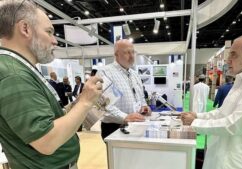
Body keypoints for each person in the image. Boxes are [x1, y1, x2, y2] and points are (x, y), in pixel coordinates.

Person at [0, 1, 103, 168]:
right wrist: (85, 102)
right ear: (25, 28)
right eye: (49, 32)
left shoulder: (20, 69)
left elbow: (48, 121)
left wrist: (78, 102)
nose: (55, 41)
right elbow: (46, 141)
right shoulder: (14, 74)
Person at [181, 34, 242, 169]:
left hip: (241, 162)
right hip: (225, 154)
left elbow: (235, 123)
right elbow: (223, 112)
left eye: (233, 55)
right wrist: (198, 115)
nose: (227, 60)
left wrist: (195, 123)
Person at [98, 39, 151, 138]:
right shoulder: (105, 73)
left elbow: (141, 97)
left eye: (133, 52)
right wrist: (125, 117)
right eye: (127, 52)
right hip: (114, 127)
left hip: (135, 124)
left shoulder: (135, 74)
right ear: (116, 54)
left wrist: (144, 107)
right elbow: (104, 105)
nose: (131, 56)